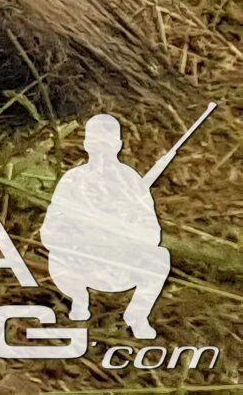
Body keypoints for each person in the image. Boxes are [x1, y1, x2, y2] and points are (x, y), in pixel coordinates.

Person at [39, 116, 176, 340]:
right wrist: (83, 234)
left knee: (160, 258)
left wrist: (123, 230)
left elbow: (152, 234)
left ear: (119, 145)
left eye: (108, 143)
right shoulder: (73, 180)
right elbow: (49, 232)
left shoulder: (131, 181)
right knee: (56, 258)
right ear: (86, 145)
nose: (101, 151)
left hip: (121, 264)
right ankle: (79, 303)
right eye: (96, 143)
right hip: (80, 262)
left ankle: (137, 315)